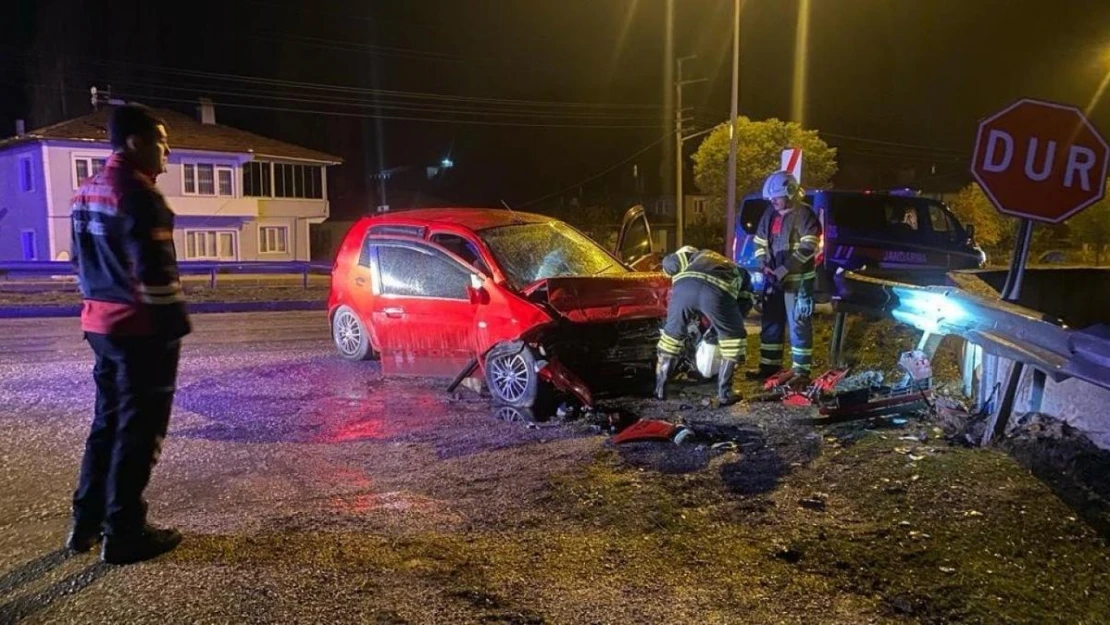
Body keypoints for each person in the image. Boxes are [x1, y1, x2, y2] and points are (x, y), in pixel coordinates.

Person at [67, 104, 190, 565]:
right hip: (141, 332)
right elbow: (156, 276)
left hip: (99, 325)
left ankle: (85, 522)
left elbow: (79, 264)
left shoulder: (87, 192)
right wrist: (174, 329)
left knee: (107, 423)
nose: (168, 153)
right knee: (140, 432)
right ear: (135, 142)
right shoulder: (140, 195)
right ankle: (125, 531)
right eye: (162, 142)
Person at [655, 246, 754, 405]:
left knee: (671, 338)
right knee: (735, 340)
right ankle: (725, 392)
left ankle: (660, 389)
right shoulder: (739, 270)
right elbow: (743, 305)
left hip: (684, 289)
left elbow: (669, 263)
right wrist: (722, 329)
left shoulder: (694, 255)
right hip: (716, 292)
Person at [750, 171, 821, 383]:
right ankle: (769, 368)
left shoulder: (805, 215)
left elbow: (809, 246)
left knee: (798, 324)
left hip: (798, 283)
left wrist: (785, 268)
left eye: (776, 197)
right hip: (773, 281)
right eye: (771, 198)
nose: (773, 201)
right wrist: (763, 264)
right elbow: (759, 243)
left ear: (790, 193)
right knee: (771, 323)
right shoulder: (769, 214)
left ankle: (801, 371)